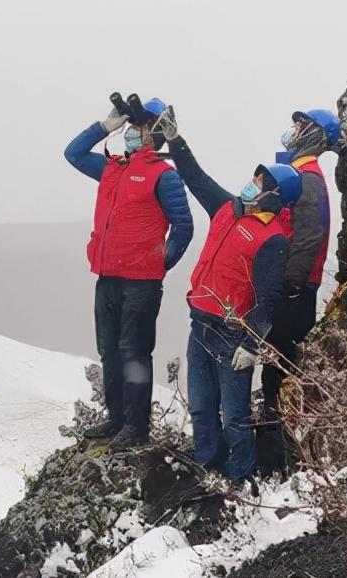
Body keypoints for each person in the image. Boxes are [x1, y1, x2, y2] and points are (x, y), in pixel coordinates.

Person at [160, 115, 301, 485]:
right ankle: (208, 468)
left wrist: (253, 344)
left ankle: (240, 478)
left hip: (232, 335)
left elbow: (269, 298)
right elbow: (196, 177)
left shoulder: (273, 239)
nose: (252, 183)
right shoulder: (226, 208)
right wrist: (176, 141)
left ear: (274, 193)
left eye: (261, 181)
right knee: (202, 407)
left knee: (235, 416)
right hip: (200, 325)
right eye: (255, 178)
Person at [63, 97, 193, 448]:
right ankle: (116, 418)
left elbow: (184, 227)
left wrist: (157, 265)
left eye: (141, 126)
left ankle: (137, 427)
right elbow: (72, 153)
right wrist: (105, 127)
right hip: (107, 275)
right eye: (133, 125)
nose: (133, 131)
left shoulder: (164, 176)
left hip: (141, 282)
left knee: (133, 351)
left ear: (157, 134)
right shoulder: (113, 169)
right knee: (109, 350)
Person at [257, 108, 340, 475]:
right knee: (276, 368)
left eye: (299, 125)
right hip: (294, 286)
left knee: (278, 370)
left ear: (313, 135)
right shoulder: (301, 175)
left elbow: (308, 235)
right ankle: (279, 452)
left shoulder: (307, 179)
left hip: (296, 290)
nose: (292, 130)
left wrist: (290, 283)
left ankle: (280, 458)